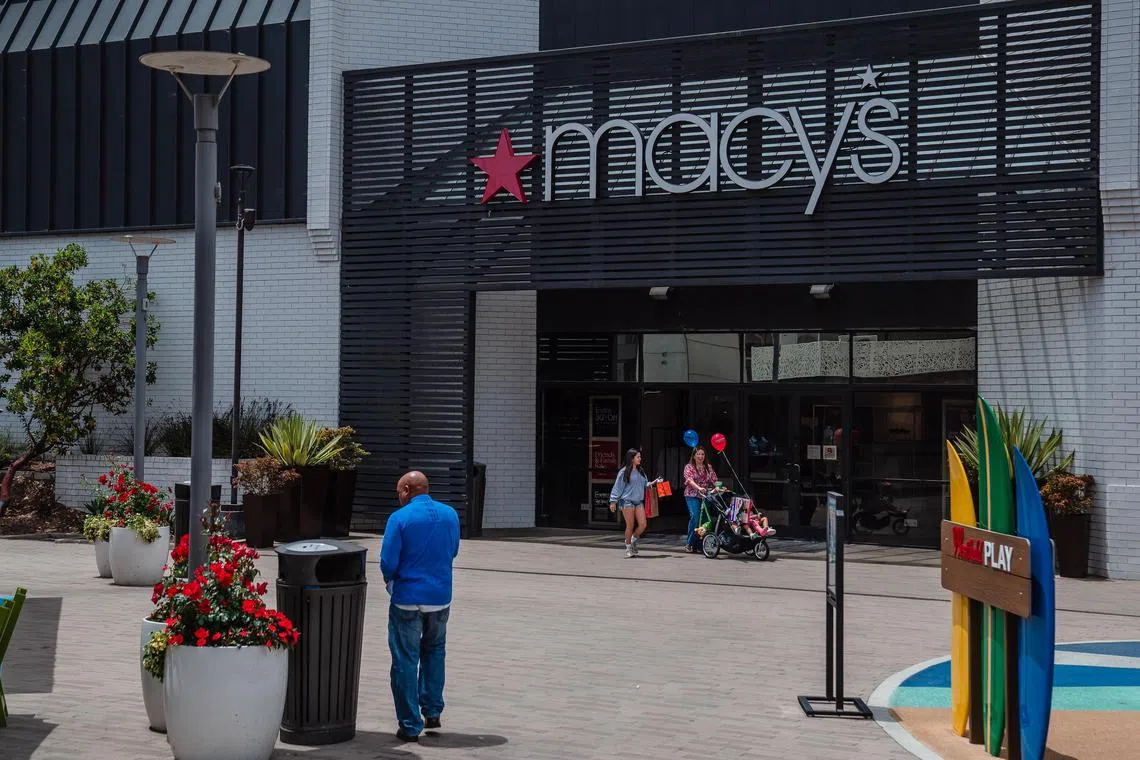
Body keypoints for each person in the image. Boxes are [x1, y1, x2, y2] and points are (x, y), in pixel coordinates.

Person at [380, 470, 461, 743]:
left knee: (405, 659)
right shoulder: (450, 514)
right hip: (440, 596)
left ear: (406, 489)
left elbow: (388, 562)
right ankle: (433, 710)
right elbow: (453, 551)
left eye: (398, 492)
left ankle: (410, 725)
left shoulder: (399, 518)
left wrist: (390, 579)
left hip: (407, 598)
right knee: (435, 651)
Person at [609, 449, 648, 557]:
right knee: (630, 525)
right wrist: (613, 501)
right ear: (632, 458)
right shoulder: (624, 471)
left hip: (638, 501)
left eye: (640, 457)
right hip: (627, 501)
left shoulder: (641, 471)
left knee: (643, 524)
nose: (640, 459)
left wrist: (654, 483)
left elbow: (645, 484)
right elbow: (618, 487)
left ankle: (633, 539)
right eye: (638, 457)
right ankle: (628, 547)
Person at [683, 446, 718, 553]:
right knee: (695, 517)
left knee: (704, 521)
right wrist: (699, 488)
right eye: (698, 454)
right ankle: (689, 543)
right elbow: (689, 480)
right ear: (694, 455)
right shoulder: (689, 467)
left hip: (705, 496)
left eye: (702, 454)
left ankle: (699, 544)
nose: (700, 456)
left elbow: (714, 480)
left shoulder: (708, 467)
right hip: (692, 495)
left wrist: (718, 487)